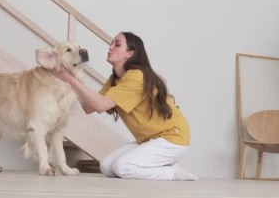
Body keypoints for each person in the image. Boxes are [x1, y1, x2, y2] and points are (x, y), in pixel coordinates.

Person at [53, 32, 198, 181]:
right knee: (107, 166)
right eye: (111, 43)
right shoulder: (114, 80)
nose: (110, 47)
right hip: (150, 139)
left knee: (123, 167)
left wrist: (70, 79)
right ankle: (166, 167)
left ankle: (173, 172)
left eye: (117, 44)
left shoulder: (136, 76)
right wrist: (70, 79)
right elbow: (89, 107)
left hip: (172, 137)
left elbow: (101, 105)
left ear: (130, 53)